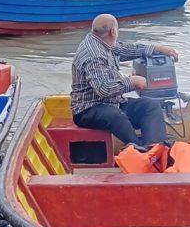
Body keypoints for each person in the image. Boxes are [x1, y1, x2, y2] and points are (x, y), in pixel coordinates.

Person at [71, 14, 178, 152]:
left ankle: (154, 149)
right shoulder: (93, 55)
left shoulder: (102, 41)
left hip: (114, 103)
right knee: (115, 115)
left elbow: (124, 49)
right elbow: (104, 89)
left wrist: (156, 48)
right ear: (113, 31)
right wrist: (132, 81)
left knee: (150, 105)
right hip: (88, 110)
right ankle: (139, 149)